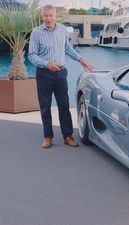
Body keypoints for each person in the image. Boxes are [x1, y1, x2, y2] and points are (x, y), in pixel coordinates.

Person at [28, 5, 93, 149]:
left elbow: (68, 48)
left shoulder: (62, 30)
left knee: (64, 105)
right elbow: (31, 55)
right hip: (44, 74)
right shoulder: (36, 32)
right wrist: (47, 63)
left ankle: (68, 136)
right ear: (42, 17)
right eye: (46, 16)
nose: (48, 18)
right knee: (45, 107)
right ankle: (48, 137)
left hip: (61, 74)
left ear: (55, 16)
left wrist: (81, 59)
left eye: (51, 15)